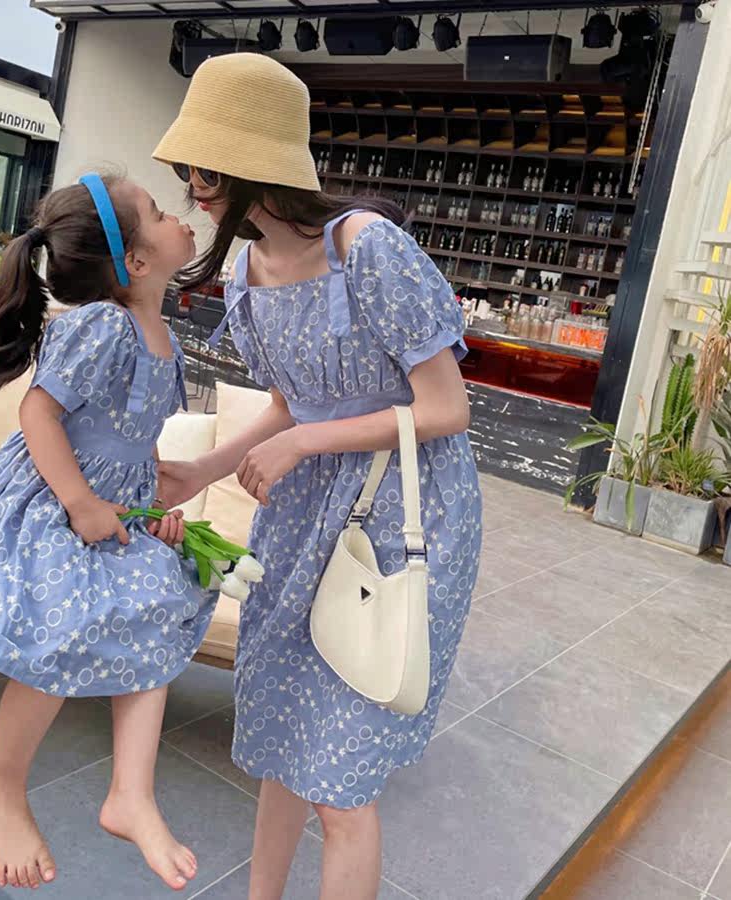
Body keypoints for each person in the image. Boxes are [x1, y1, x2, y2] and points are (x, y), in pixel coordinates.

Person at [153, 54, 482, 900]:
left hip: (399, 517)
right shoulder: (247, 272)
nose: (192, 189)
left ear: (249, 166)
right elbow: (288, 403)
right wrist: (202, 471)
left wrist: (305, 443)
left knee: (342, 784)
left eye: (203, 170)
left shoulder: (366, 247)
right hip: (303, 519)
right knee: (284, 743)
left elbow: (446, 407)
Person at [0, 173, 214, 892]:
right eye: (160, 212)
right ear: (136, 260)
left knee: (161, 603)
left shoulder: (163, 337)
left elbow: (132, 436)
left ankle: (131, 792)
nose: (181, 217)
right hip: (47, 503)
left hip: (110, 510)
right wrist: (79, 502)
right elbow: (40, 413)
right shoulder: (103, 324)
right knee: (65, 619)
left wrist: (149, 505)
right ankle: (2, 784)